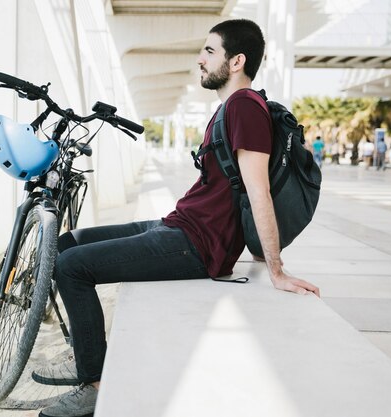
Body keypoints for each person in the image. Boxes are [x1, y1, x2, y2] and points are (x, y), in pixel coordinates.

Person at [35, 18, 320, 417]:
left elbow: (259, 191)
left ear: (236, 61)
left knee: (71, 267)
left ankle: (95, 384)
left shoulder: (244, 108)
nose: (200, 59)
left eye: (209, 51)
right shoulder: (231, 107)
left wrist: (276, 268)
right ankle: (85, 352)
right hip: (177, 225)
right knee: (67, 242)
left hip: (196, 246)